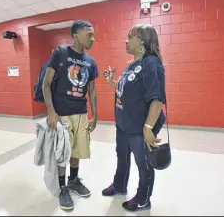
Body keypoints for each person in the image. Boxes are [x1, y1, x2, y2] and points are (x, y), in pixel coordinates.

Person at [102, 24, 166, 212]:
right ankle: (119, 185)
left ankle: (143, 198)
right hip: (123, 124)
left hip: (139, 127)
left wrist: (148, 128)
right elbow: (126, 90)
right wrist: (112, 82)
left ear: (143, 41)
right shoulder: (131, 65)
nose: (126, 40)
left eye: (130, 37)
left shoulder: (151, 63)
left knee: (143, 164)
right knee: (122, 158)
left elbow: (157, 99)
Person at [42, 20, 98, 210]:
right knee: (62, 153)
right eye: (89, 34)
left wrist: (95, 115)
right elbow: (46, 84)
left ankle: (73, 180)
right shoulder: (60, 53)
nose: (93, 38)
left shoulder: (91, 62)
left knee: (77, 151)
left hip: (81, 114)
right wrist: (51, 112)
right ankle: (62, 186)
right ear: (76, 35)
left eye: (93, 34)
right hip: (62, 114)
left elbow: (92, 90)